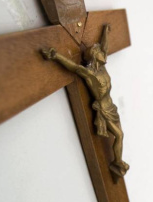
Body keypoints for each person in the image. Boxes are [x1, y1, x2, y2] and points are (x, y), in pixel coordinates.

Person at [41, 24, 130, 177]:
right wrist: (56, 56)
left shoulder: (102, 67)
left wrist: (105, 31)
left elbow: (105, 46)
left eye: (101, 50)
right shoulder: (90, 74)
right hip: (103, 110)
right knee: (119, 135)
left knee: (120, 135)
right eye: (98, 51)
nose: (102, 52)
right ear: (95, 55)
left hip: (112, 107)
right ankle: (118, 162)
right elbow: (74, 67)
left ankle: (118, 162)